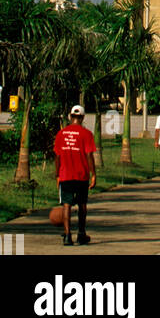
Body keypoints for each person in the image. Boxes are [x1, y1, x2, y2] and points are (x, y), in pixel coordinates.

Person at [53, 105, 97, 246]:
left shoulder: (61, 134)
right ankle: (81, 234)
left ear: (70, 117)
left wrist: (57, 175)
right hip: (81, 175)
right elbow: (89, 154)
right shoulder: (86, 134)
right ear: (83, 118)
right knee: (82, 205)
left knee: (67, 205)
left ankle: (67, 236)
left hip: (65, 174)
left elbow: (57, 156)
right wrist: (93, 174)